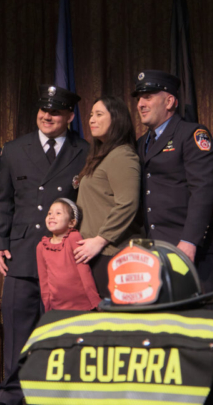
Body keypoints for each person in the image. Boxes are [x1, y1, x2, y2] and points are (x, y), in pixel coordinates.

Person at [0, 84, 89, 405]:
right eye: (43, 110)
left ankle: (59, 396)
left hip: (64, 258)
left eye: (56, 111)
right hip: (21, 254)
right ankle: (12, 396)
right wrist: (0, 243)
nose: (47, 116)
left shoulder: (84, 151)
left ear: (70, 117)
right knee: (18, 331)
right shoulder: (15, 149)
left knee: (63, 330)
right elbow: (3, 202)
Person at [132, 70, 213, 293]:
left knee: (195, 322)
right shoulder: (141, 142)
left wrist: (190, 242)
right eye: (139, 98)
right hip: (153, 248)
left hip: (187, 248)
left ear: (170, 101)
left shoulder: (192, 134)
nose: (141, 104)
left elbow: (202, 191)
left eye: (148, 97)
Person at [72, 96, 142, 298]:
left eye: (99, 114)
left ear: (116, 119)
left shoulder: (122, 155)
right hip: (95, 253)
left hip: (112, 253)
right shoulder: (102, 156)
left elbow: (128, 204)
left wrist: (101, 240)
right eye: (91, 115)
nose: (92, 119)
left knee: (115, 322)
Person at [36, 198, 100, 311]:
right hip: (57, 307)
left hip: (82, 305)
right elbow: (43, 280)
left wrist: (95, 301)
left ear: (72, 222)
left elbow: (85, 272)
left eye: (58, 213)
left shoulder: (73, 237)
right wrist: (47, 306)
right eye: (49, 213)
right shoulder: (41, 246)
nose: (51, 216)